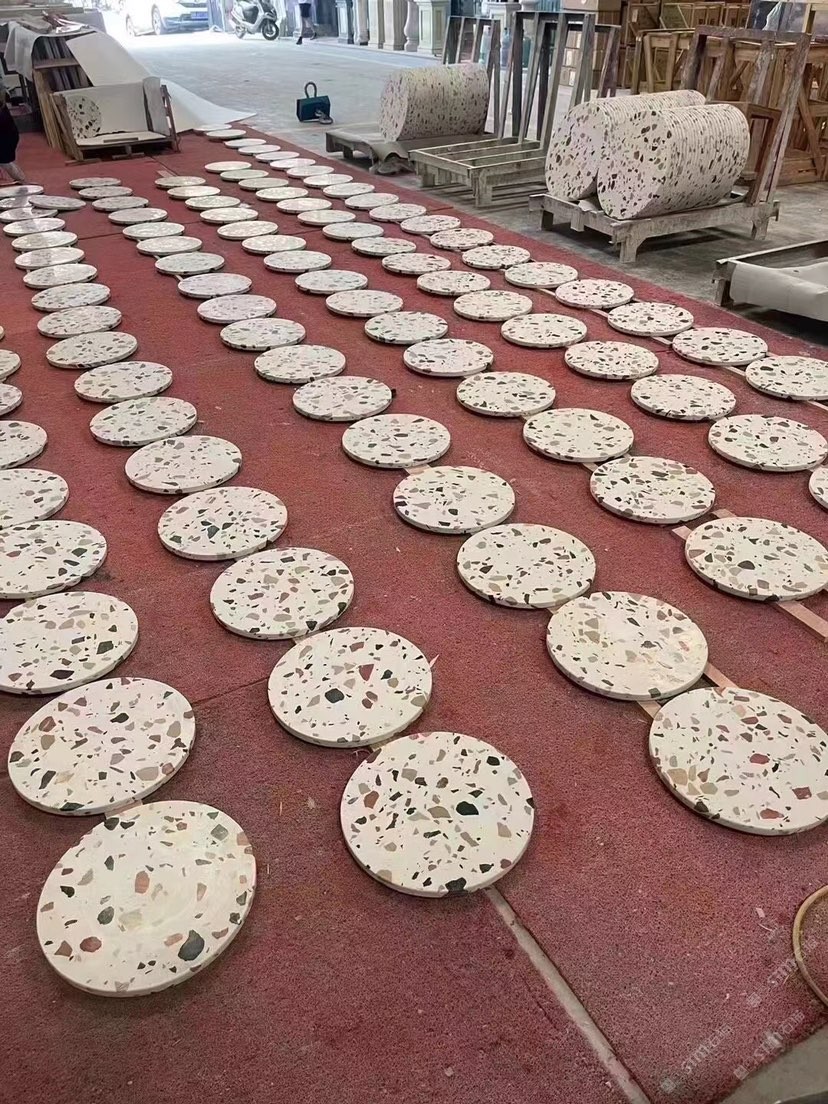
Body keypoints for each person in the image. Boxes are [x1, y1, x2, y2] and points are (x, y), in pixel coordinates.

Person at [0, 85, 27, 184]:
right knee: (4, 161)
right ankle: (21, 180)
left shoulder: (2, 109)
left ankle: (21, 180)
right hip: (8, 134)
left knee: (4, 161)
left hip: (6, 137)